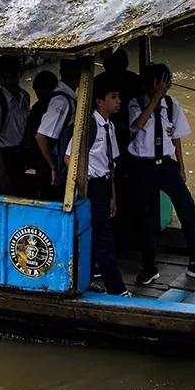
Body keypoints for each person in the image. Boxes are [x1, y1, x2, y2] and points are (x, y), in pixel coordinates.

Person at [127, 64, 195, 286]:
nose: (166, 87)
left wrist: (182, 167)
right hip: (143, 165)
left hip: (166, 165)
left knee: (188, 209)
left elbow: (177, 137)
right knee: (146, 217)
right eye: (162, 82)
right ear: (152, 84)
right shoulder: (136, 104)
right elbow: (138, 125)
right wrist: (155, 97)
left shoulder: (171, 105)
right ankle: (150, 267)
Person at [66, 74, 128, 296]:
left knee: (97, 235)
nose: (118, 101)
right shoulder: (89, 126)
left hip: (103, 186)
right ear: (100, 101)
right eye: (113, 97)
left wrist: (112, 195)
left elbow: (110, 165)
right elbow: (69, 157)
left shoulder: (108, 126)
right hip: (90, 187)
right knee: (103, 239)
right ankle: (117, 289)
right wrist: (85, 179)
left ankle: (88, 280)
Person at [0, 55, 31, 194]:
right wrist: (1, 171)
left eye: (13, 73)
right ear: (0, 77)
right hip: (2, 157)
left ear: (19, 73)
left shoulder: (25, 96)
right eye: (5, 74)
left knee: (19, 191)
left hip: (19, 154)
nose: (10, 78)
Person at [35, 59, 80, 200]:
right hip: (55, 162)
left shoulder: (67, 98)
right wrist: (53, 166)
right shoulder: (62, 101)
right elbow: (41, 136)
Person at [21, 70, 58, 198]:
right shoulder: (50, 107)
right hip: (46, 157)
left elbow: (30, 137)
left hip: (41, 158)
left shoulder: (41, 107)